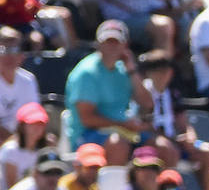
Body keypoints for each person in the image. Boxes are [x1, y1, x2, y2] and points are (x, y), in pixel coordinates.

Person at [66, 20, 156, 167]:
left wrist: (132, 70)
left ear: (125, 45)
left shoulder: (125, 69)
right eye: (108, 41)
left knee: (162, 147)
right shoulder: (86, 73)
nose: (112, 46)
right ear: (98, 44)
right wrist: (123, 125)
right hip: (87, 134)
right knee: (118, 146)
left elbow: (147, 103)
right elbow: (87, 119)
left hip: (123, 131)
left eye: (117, 42)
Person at [0, 30, 39, 164]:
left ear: (22, 56)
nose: (9, 56)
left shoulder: (28, 80)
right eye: (4, 50)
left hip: (20, 136)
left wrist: (29, 138)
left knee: (49, 141)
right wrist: (16, 140)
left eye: (15, 50)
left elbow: (33, 115)